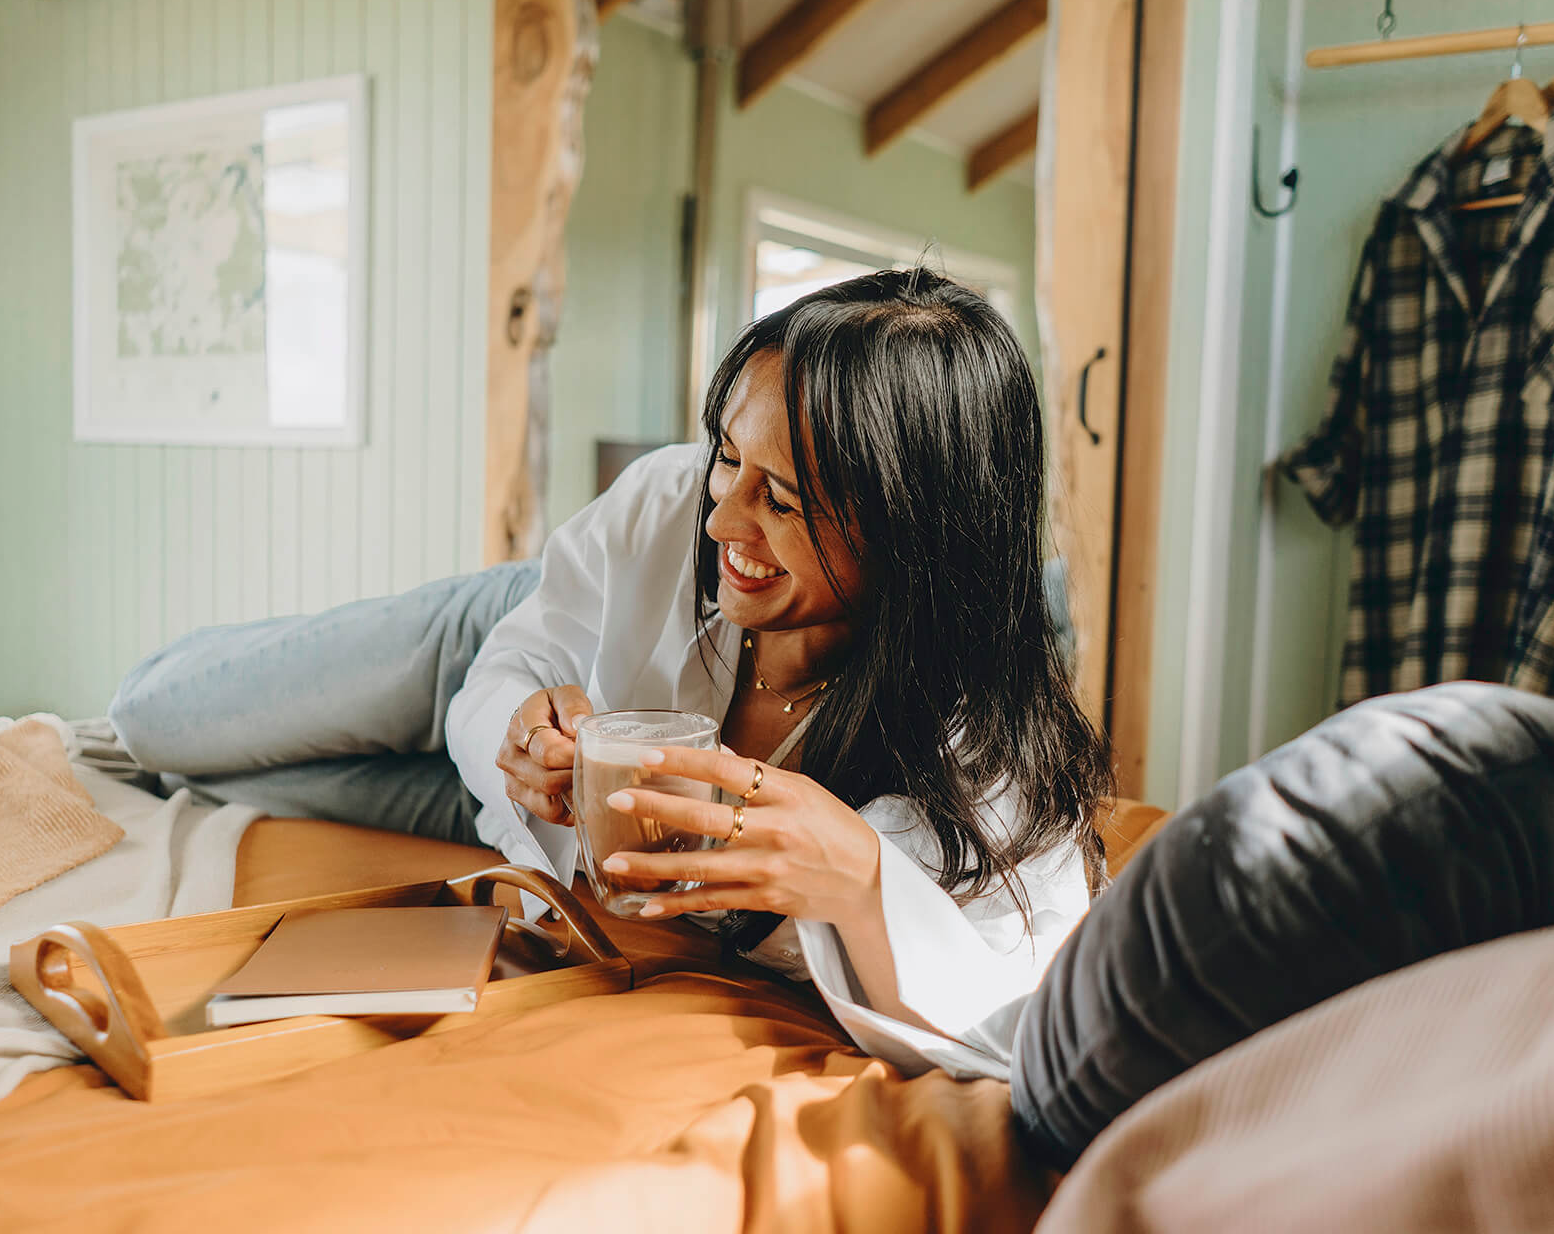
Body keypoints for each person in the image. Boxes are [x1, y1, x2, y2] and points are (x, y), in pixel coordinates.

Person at [444, 269, 1111, 1078]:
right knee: (245, 709)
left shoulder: (987, 755)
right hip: (490, 620)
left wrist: (863, 881)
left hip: (503, 808)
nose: (721, 517)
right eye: (728, 456)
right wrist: (518, 735)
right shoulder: (674, 503)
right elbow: (500, 675)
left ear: (920, 535)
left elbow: (1019, 1020)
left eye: (784, 502)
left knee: (284, 789)